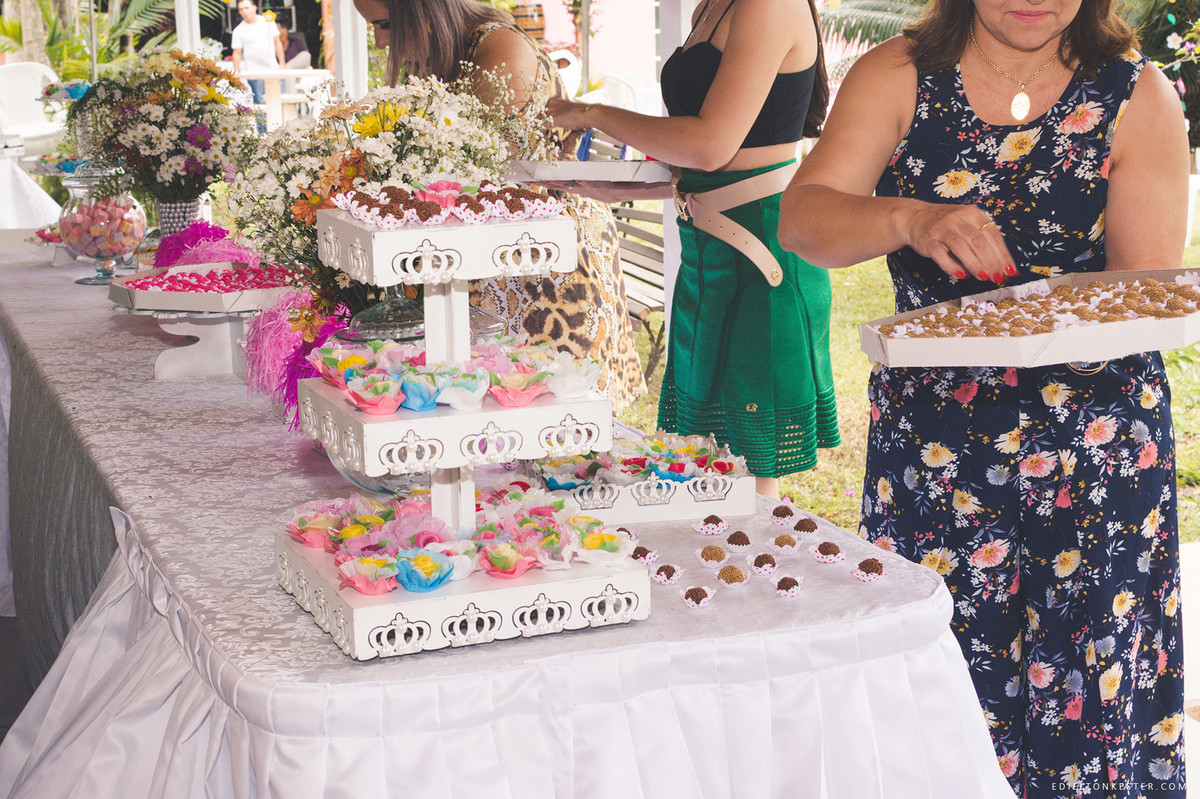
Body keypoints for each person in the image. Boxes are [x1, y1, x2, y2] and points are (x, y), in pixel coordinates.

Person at [776, 0, 1189, 793]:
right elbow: (803, 219)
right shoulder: (898, 76)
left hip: (1096, 458)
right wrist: (910, 217)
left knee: (1093, 691)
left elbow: (1140, 290)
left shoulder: (1137, 94)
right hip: (937, 452)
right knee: (942, 682)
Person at [546, 0, 838, 498]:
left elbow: (710, 145)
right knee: (705, 459)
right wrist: (634, 187)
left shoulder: (768, 5)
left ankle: (752, 551)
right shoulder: (715, 4)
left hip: (759, 253)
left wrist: (591, 113)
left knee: (749, 471)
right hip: (707, 247)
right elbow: (719, 154)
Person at [353, 0, 646, 412]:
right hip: (494, 256)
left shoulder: (499, 47)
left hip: (546, 266)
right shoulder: (445, 54)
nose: (381, 42)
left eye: (385, 25)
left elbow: (471, 171)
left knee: (547, 418)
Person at [230, 0, 284, 105]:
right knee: (260, 104)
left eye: (247, 8)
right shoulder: (238, 30)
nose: (244, 11)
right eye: (241, 9)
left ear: (254, 7)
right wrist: (237, 73)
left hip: (273, 70)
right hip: (254, 73)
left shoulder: (268, 22)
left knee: (279, 100)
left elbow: (277, 43)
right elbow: (237, 53)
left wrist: (282, 64)